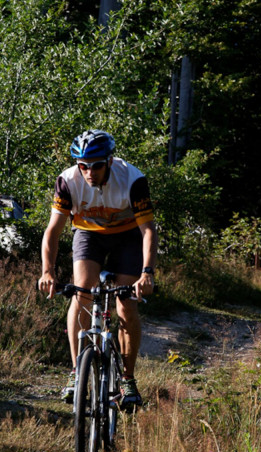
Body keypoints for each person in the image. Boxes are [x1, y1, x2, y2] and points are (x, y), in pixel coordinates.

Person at [37, 130, 158, 406]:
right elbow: (53, 231)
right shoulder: (67, 181)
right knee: (82, 294)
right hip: (89, 234)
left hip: (128, 236)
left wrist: (147, 273)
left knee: (126, 302)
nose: (89, 172)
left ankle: (127, 380)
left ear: (110, 161)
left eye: (96, 165)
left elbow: (148, 230)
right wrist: (47, 271)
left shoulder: (132, 178)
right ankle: (76, 371)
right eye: (83, 166)